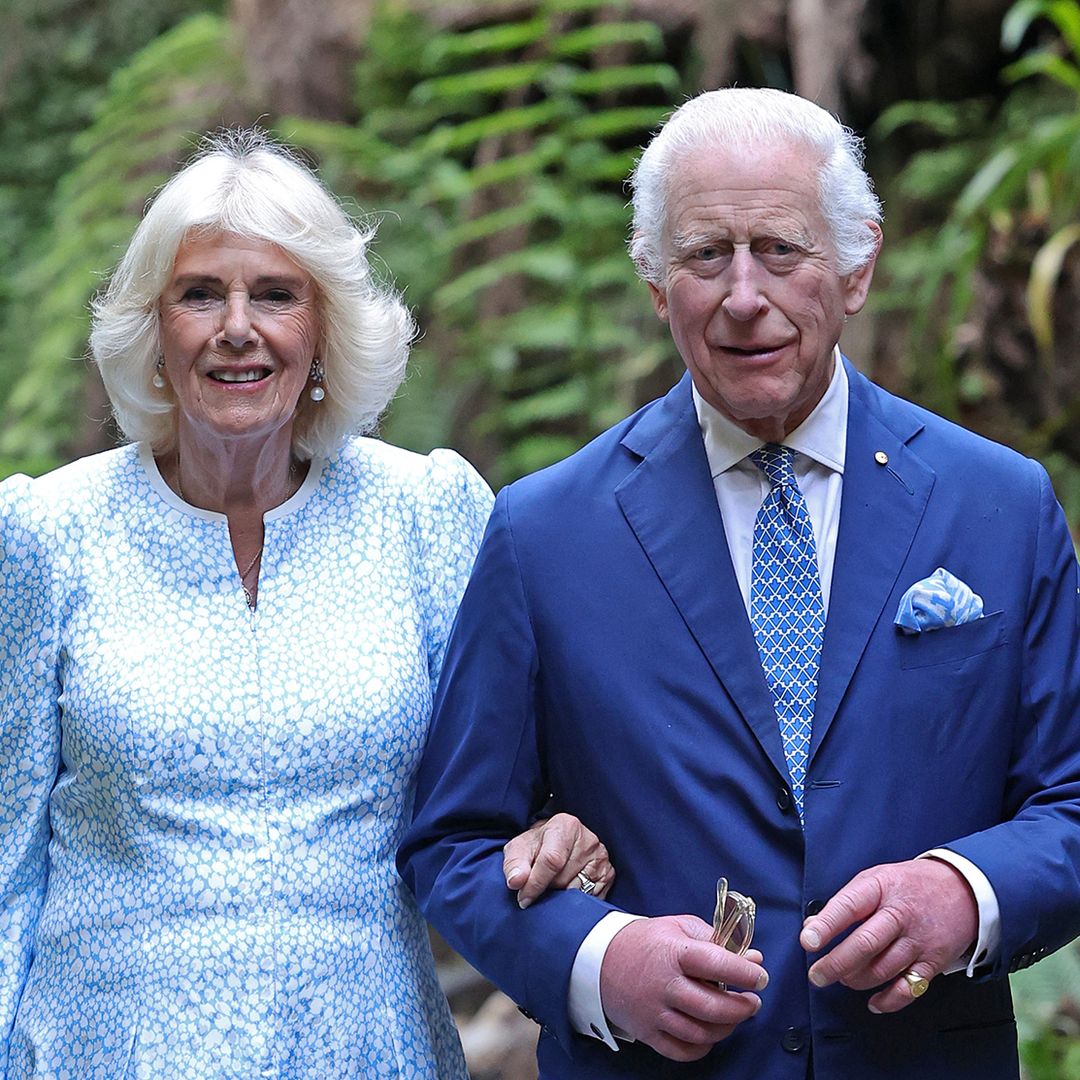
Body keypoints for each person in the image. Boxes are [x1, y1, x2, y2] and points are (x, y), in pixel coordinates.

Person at [399, 87, 1080, 1080]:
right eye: (705, 255)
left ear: (856, 268)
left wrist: (965, 891)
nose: (743, 294)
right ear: (655, 284)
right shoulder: (543, 533)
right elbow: (454, 842)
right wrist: (597, 961)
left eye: (781, 250)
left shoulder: (1001, 508)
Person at [0, 129, 614, 1078]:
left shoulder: (427, 513)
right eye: (199, 294)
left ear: (324, 330)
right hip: (102, 1050)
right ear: (154, 333)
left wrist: (562, 832)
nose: (236, 326)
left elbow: (523, 792)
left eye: (275, 295)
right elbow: (6, 867)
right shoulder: (48, 530)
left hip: (364, 1045)